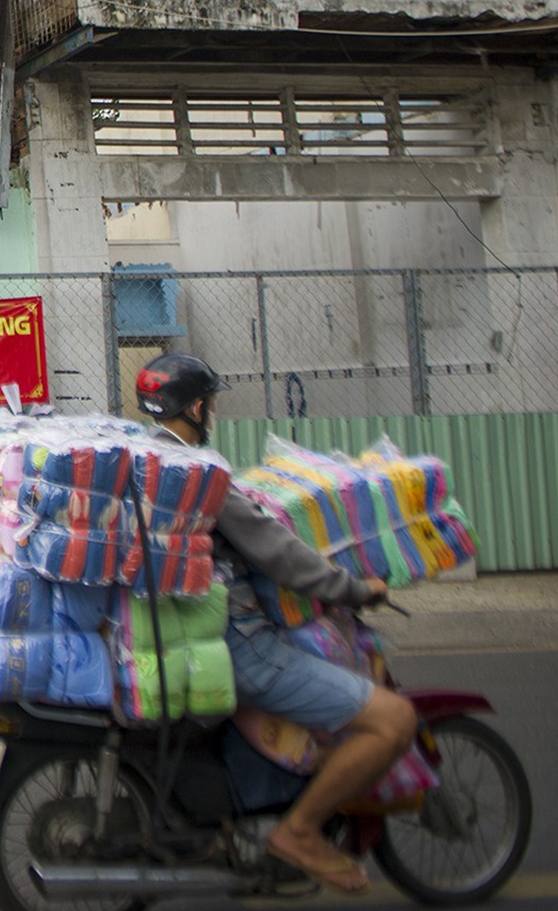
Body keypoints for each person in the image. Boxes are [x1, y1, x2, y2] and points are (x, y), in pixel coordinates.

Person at [134, 353, 417, 896]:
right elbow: (280, 554)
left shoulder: (144, 461)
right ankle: (301, 831)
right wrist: (354, 588)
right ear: (196, 407)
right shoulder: (201, 476)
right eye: (210, 403)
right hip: (239, 644)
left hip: (190, 635)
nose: (211, 412)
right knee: (394, 720)